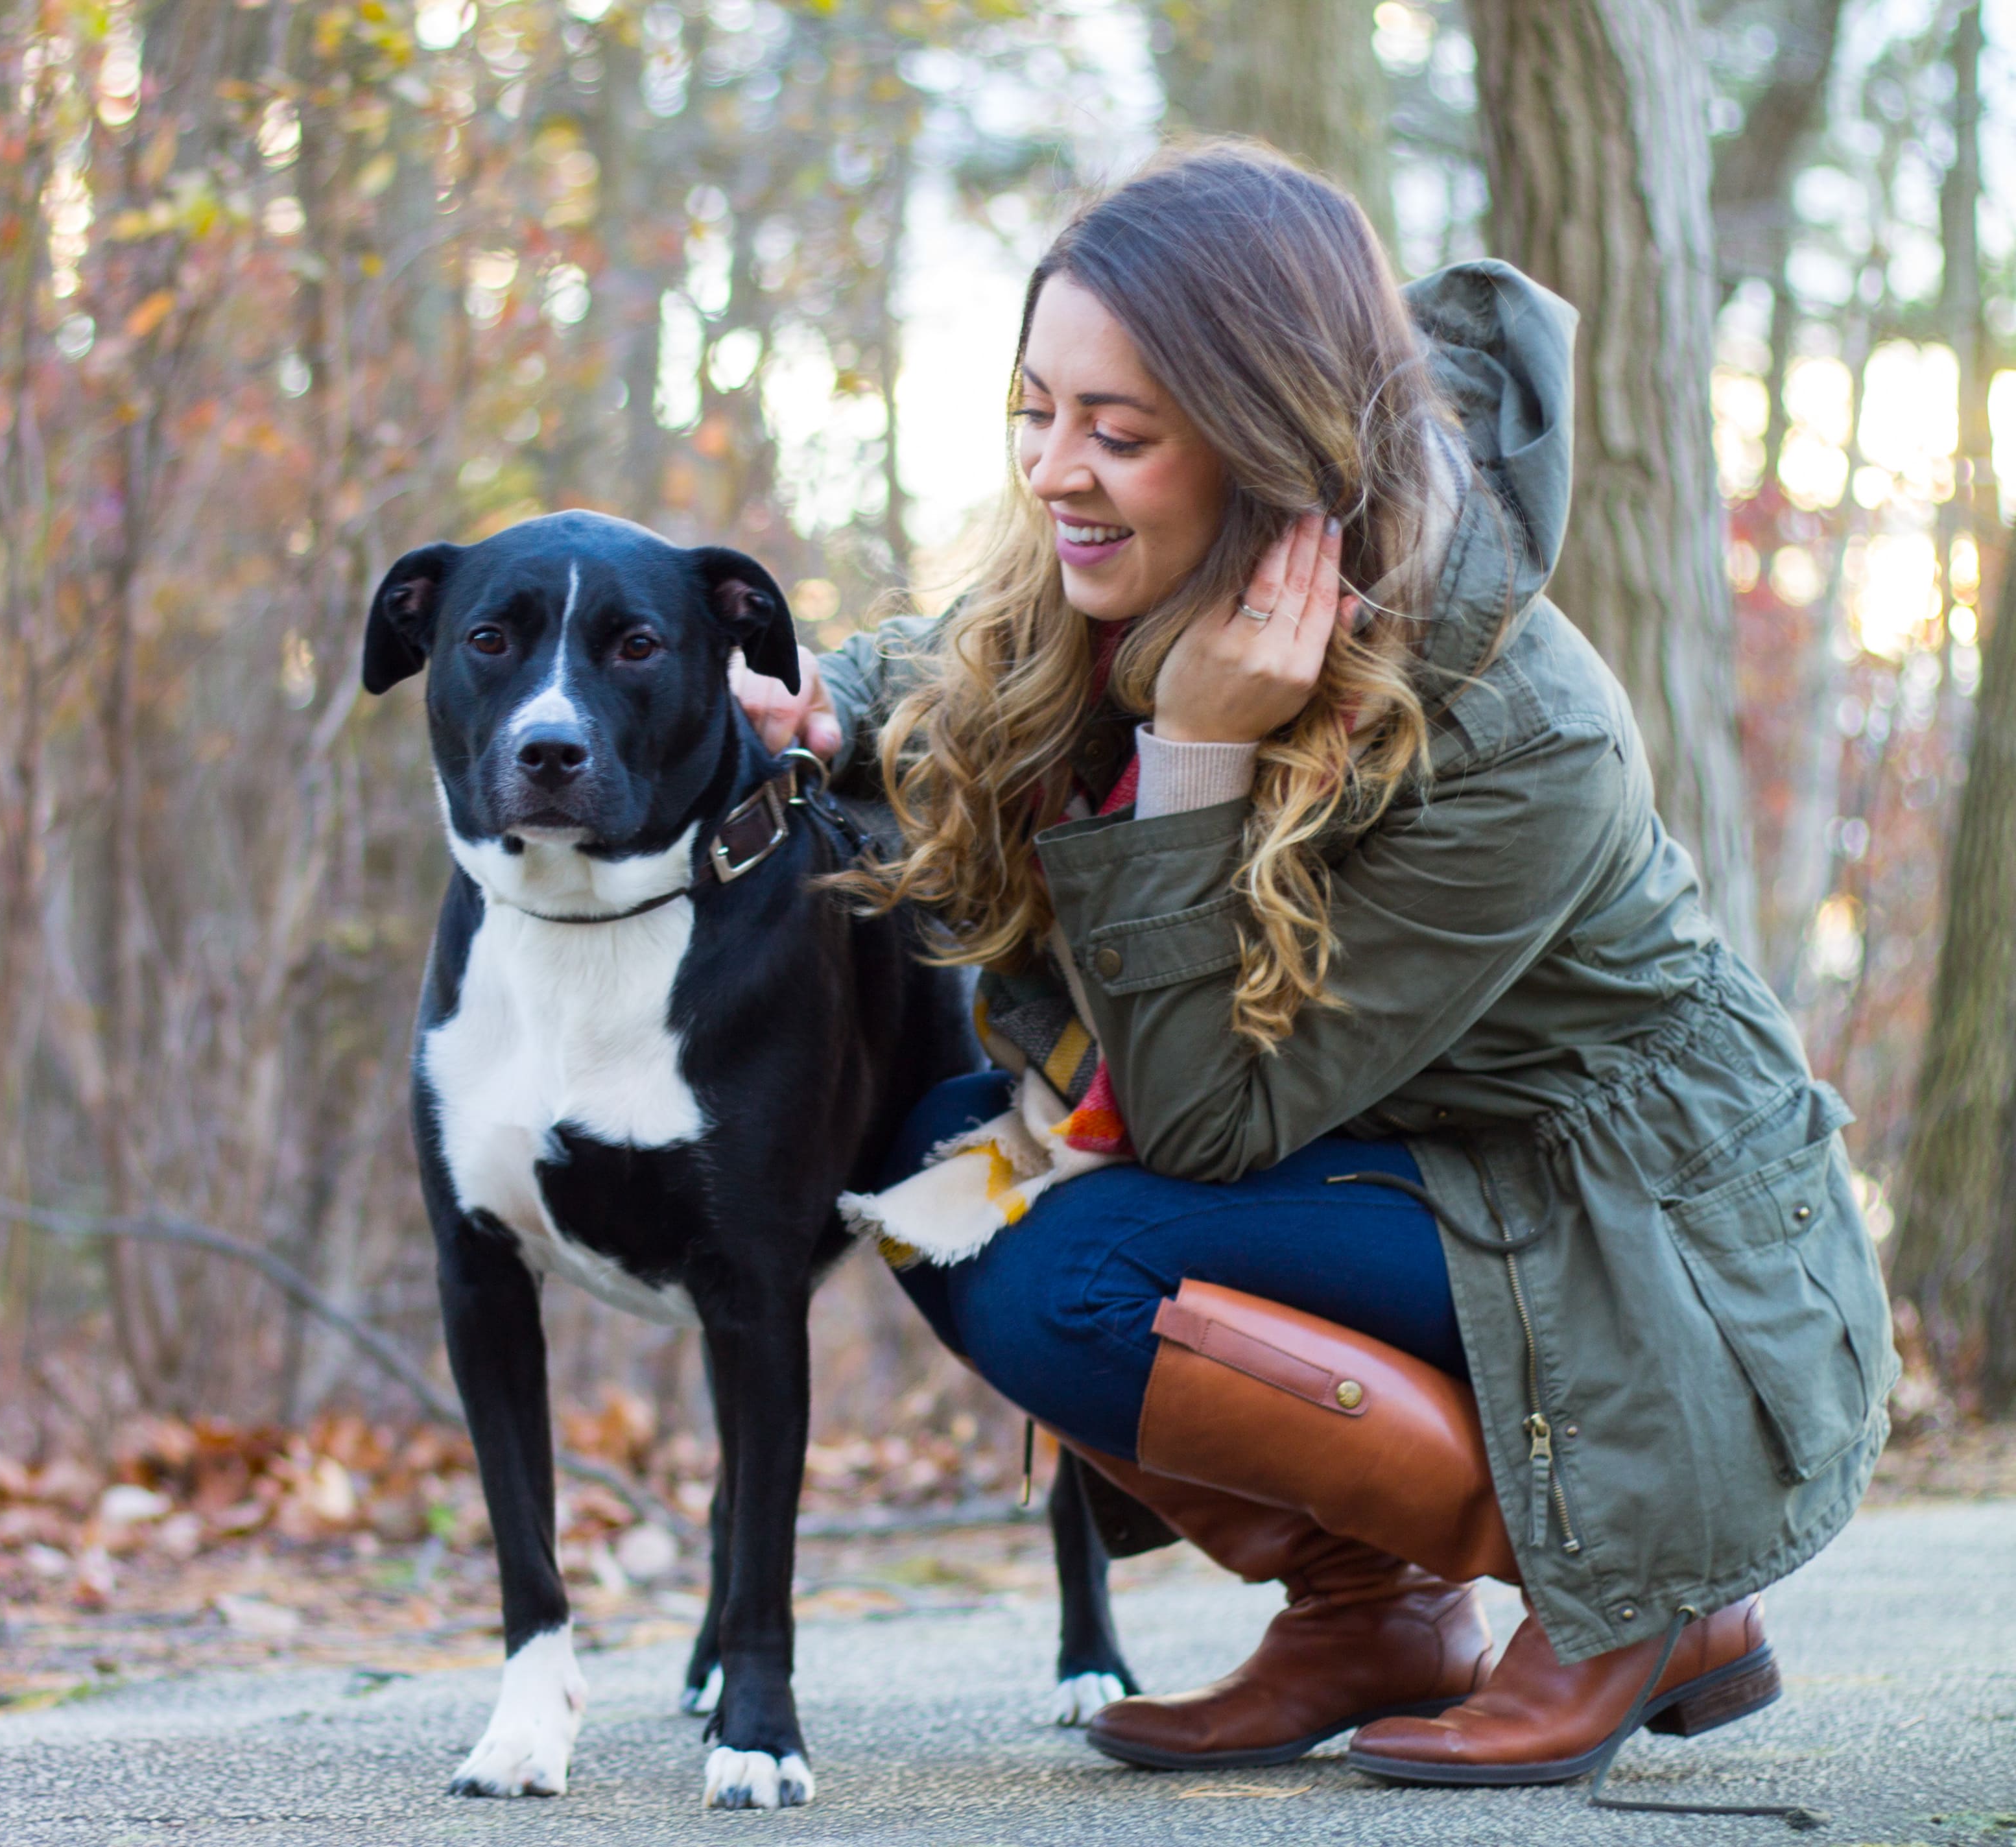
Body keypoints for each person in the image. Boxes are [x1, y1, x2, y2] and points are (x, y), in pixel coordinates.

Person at [729, 142, 1897, 1788]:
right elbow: (973, 651)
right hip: (1425, 1165)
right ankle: (1371, 1611)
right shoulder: (1151, 562)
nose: (1059, 468)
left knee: (1079, 1273)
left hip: (1640, 1242)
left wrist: (1198, 762)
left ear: (1271, 444)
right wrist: (830, 704)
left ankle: (1643, 1585)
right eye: (1037, 408)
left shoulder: (1520, 732)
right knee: (939, 1175)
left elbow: (1215, 1124)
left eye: (1119, 433)